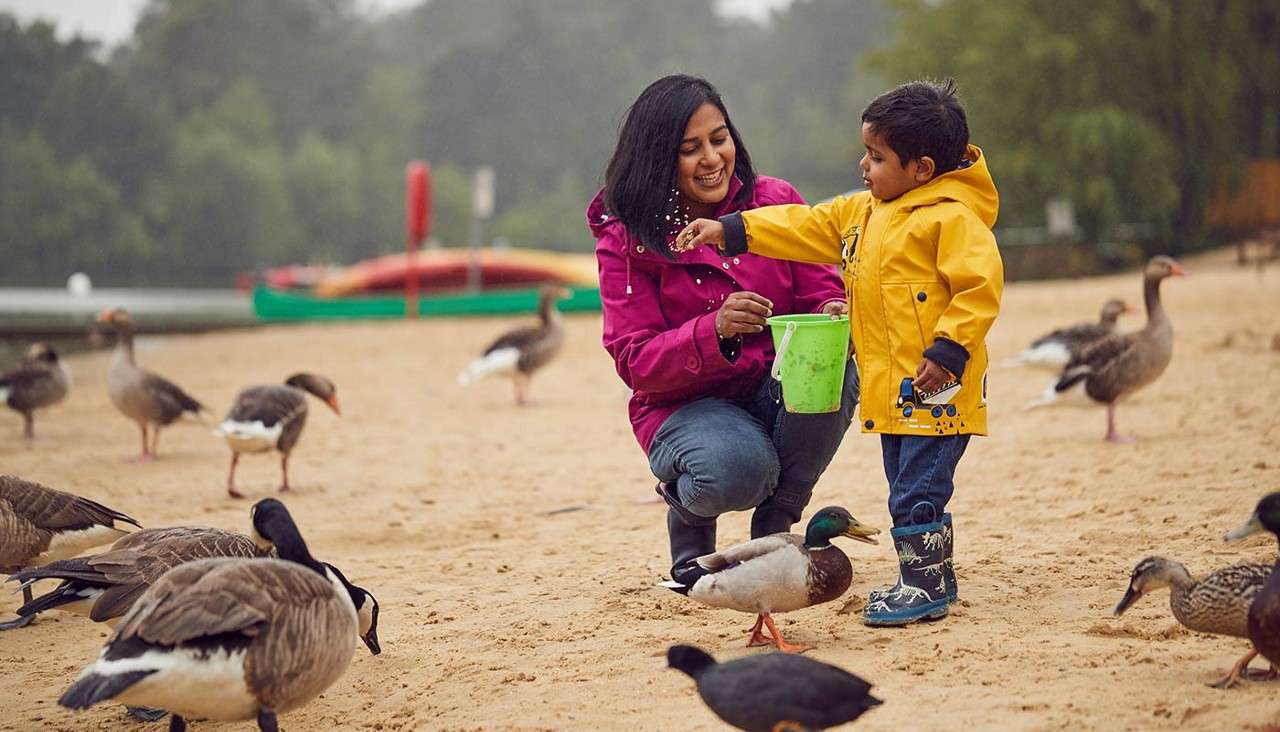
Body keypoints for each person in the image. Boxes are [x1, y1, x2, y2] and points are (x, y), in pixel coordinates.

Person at [674, 79, 1003, 626]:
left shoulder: (954, 220)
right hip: (893, 390)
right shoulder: (865, 213)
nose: (863, 166)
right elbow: (805, 225)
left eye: (876, 157)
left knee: (917, 491)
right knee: (905, 482)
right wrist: (731, 229)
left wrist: (947, 351)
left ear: (921, 168)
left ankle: (924, 586)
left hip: (939, 388)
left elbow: (979, 288)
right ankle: (933, 577)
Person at [589, 74, 859, 586]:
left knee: (839, 374)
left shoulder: (775, 201)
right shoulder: (626, 238)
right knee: (736, 468)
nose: (712, 158)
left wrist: (831, 311)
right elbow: (636, 361)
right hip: (682, 405)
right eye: (690, 149)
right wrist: (714, 331)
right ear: (655, 158)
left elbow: (823, 290)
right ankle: (689, 516)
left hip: (775, 385)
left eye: (719, 138)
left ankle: (776, 527)